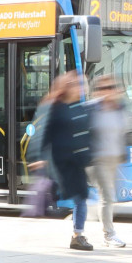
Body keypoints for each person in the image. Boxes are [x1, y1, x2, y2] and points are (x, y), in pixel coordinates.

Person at [35, 71, 93, 251]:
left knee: (81, 197)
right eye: (77, 85)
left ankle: (78, 235)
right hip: (62, 162)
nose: (81, 88)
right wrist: (39, 158)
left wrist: (89, 154)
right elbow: (44, 134)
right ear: (68, 88)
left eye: (82, 84)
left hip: (76, 161)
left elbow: (86, 134)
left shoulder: (80, 107)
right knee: (78, 197)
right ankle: (77, 235)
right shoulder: (56, 108)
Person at [87, 75, 130, 248]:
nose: (108, 91)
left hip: (115, 158)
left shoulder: (120, 108)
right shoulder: (91, 109)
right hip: (98, 159)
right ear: (97, 91)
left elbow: (123, 133)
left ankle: (93, 211)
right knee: (107, 196)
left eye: (111, 87)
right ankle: (109, 235)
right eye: (104, 88)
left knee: (111, 196)